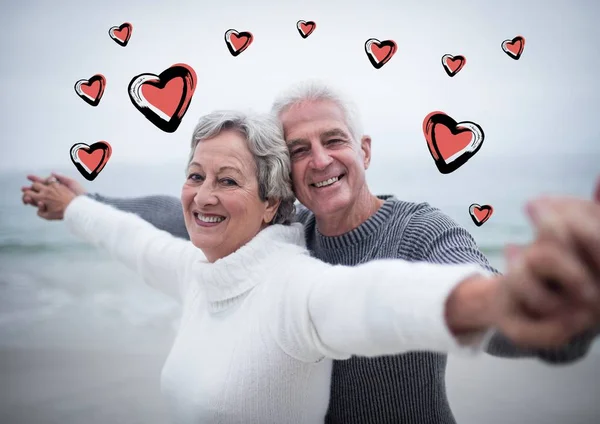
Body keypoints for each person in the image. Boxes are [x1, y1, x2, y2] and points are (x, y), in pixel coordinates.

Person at [22, 83, 600, 424]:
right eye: (300, 149)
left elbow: (407, 298)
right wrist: (82, 200)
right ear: (282, 178)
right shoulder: (290, 229)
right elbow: (173, 216)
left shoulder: (419, 232)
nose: (320, 160)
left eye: (335, 140)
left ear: (365, 150)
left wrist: (535, 304)